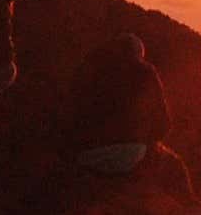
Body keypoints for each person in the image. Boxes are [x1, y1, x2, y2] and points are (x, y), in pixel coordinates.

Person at [62, 35, 171, 177]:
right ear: (139, 55)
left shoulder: (89, 70)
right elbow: (163, 124)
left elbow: (71, 113)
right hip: (130, 154)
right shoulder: (145, 72)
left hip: (86, 154)